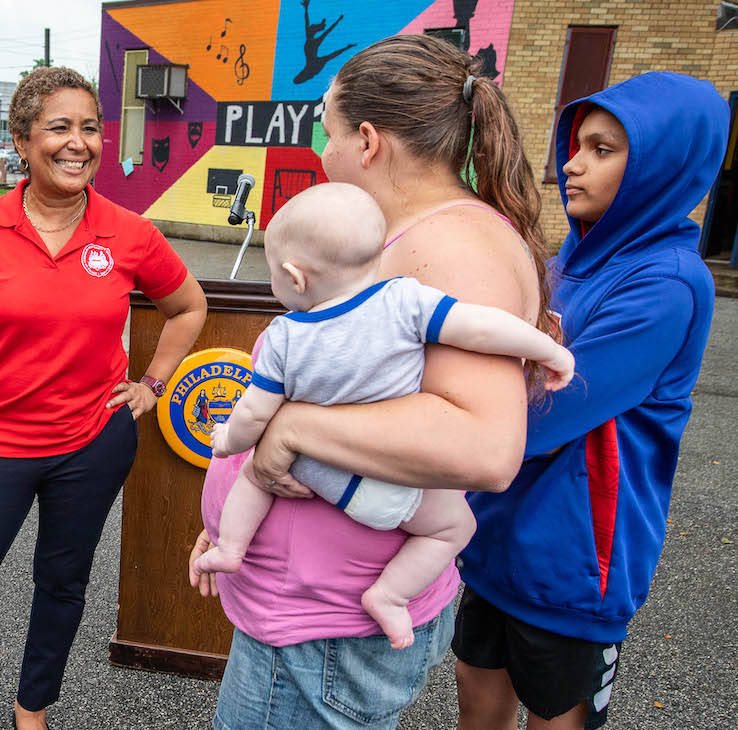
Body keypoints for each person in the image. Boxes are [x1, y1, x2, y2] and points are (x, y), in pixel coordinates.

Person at [187, 35, 556, 729]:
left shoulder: (449, 247)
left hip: (322, 628)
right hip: (309, 610)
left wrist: (289, 430)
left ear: (366, 141)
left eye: (324, 131)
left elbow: (482, 445)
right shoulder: (409, 236)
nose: (319, 154)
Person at [0, 66, 206, 729]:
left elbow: (187, 306)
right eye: (59, 128)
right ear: (22, 142)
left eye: (89, 128)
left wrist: (153, 385)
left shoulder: (129, 232)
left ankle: (32, 710)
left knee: (62, 583)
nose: (78, 143)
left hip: (92, 443)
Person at [453, 73, 729, 730]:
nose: (571, 164)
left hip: (575, 559)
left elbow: (546, 414)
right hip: (496, 531)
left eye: (603, 149)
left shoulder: (666, 284)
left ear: (665, 163)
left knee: (557, 717)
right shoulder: (570, 256)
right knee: (476, 692)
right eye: (577, 145)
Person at [191, 183, 574, 650]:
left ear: (294, 277)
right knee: (456, 527)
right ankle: (391, 594)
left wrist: (226, 440)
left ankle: (233, 547)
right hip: (395, 488)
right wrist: (547, 349)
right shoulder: (406, 301)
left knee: (254, 475)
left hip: (321, 478)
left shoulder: (284, 336)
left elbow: (253, 415)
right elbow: (481, 328)